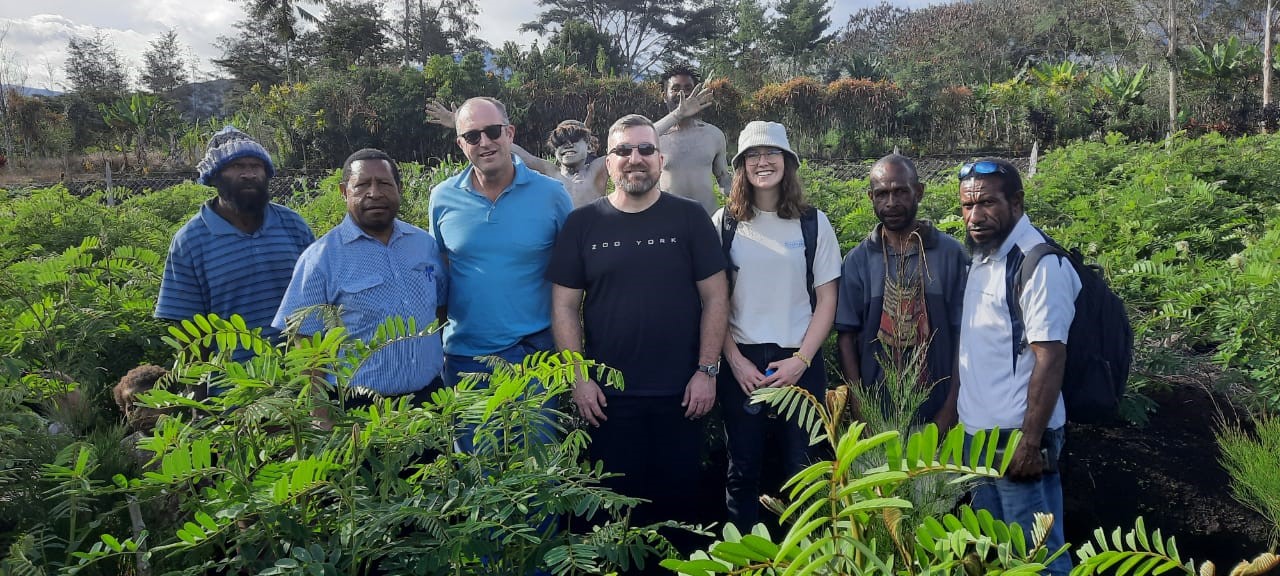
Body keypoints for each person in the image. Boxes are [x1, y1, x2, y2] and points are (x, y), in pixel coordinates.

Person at [546, 114, 729, 540]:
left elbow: (716, 298)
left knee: (679, 514)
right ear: (607, 162)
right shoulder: (583, 224)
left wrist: (706, 372)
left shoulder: (689, 219)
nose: (635, 158)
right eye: (623, 150)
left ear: (660, 158)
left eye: (646, 149)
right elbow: (565, 307)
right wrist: (578, 378)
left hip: (682, 396)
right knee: (613, 521)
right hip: (608, 402)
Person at [711, 121, 841, 531]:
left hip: (799, 360)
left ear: (788, 162)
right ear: (741, 167)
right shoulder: (725, 223)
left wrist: (800, 361)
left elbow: (827, 300)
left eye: (772, 154)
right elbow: (713, 302)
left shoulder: (813, 223)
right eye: (752, 156)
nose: (763, 162)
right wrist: (733, 361)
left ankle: (804, 556)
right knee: (742, 468)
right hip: (742, 363)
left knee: (802, 468)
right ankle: (742, 557)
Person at [956, 158, 1078, 576]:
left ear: (1017, 202)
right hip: (978, 440)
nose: (975, 216)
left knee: (1038, 560)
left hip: (1017, 441)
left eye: (987, 203)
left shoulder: (1039, 263)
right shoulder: (985, 256)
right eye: (967, 206)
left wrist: (1030, 442)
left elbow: (1051, 357)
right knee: (996, 557)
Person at [272, 148, 445, 401]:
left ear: (399, 187)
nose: (374, 193)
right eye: (362, 184)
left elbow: (440, 309)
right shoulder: (321, 258)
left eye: (384, 183)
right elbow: (305, 341)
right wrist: (320, 412)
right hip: (359, 408)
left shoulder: (424, 244)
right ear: (344, 192)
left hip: (430, 399)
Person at [428, 97, 573, 391]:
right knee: (472, 439)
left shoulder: (552, 195)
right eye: (472, 136)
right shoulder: (442, 198)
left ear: (509, 133)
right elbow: (440, 270)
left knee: (538, 439)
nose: (484, 142)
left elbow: (572, 274)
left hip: (535, 355)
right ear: (461, 144)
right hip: (465, 358)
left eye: (493, 131)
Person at [155, 126, 315, 367]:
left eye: (256, 166)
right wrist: (198, 397)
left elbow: (320, 301)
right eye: (237, 166)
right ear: (215, 175)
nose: (249, 174)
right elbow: (189, 332)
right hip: (234, 390)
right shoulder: (190, 241)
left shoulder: (293, 225)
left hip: (301, 379)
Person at [834, 154, 968, 428]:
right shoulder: (858, 260)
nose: (891, 203)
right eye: (882, 194)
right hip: (877, 415)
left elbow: (964, 337)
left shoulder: (950, 255)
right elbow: (846, 337)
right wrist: (861, 406)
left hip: (939, 412)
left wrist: (951, 408)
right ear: (871, 197)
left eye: (900, 192)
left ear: (918, 192)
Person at [424, 92, 713, 208]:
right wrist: (461, 124)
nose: (569, 148)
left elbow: (639, 139)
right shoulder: (549, 171)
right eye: (561, 144)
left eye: (576, 141)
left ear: (591, 146)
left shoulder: (601, 168)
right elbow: (513, 149)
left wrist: (677, 114)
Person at [658, 64, 732, 215]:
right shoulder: (654, 136)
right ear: (664, 94)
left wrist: (744, 204)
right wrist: (678, 114)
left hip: (708, 220)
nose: (683, 94)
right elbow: (633, 140)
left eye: (688, 88)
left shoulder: (713, 134)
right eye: (675, 88)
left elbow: (724, 179)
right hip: (669, 223)